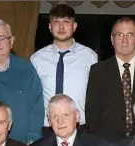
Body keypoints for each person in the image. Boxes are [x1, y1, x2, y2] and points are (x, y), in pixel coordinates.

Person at [30, 4, 97, 137]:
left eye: (66, 21)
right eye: (56, 22)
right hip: (47, 129)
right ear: (50, 27)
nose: (61, 27)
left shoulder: (89, 56)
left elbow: (96, 95)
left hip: (81, 128)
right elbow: (32, 99)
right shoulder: (36, 59)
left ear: (74, 26)